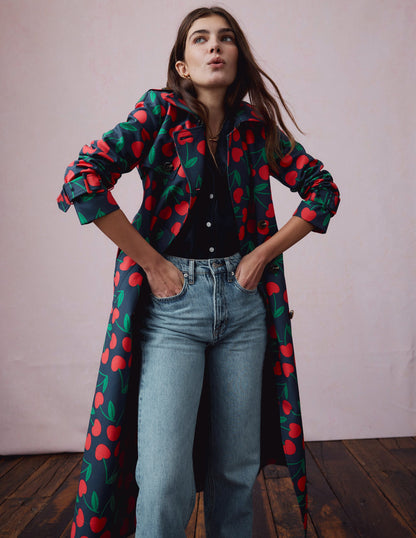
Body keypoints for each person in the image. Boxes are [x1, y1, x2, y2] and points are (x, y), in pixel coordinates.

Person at [58, 6, 340, 538]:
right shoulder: (157, 114)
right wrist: (152, 263)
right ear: (182, 65)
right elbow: (84, 177)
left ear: (237, 58)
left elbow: (322, 190)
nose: (215, 46)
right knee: (164, 477)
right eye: (201, 39)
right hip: (172, 309)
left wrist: (262, 254)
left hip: (244, 308)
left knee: (236, 471)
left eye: (226, 38)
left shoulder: (256, 128)